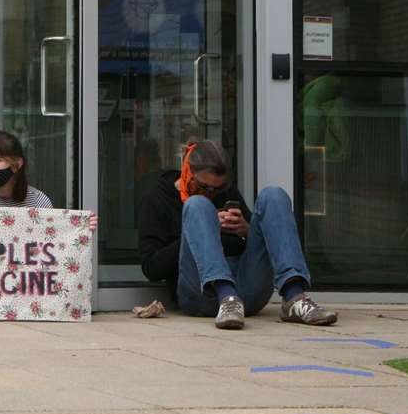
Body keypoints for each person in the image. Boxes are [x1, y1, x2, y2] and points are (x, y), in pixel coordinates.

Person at [138, 139, 337, 329]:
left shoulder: (225, 191)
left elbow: (256, 245)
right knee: (197, 205)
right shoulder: (157, 199)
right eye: (202, 187)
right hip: (200, 294)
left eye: (217, 189)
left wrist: (246, 230)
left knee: (273, 195)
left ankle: (294, 297)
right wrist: (198, 231)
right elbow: (151, 268)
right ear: (187, 171)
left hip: (248, 292)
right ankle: (226, 296)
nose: (210, 193)